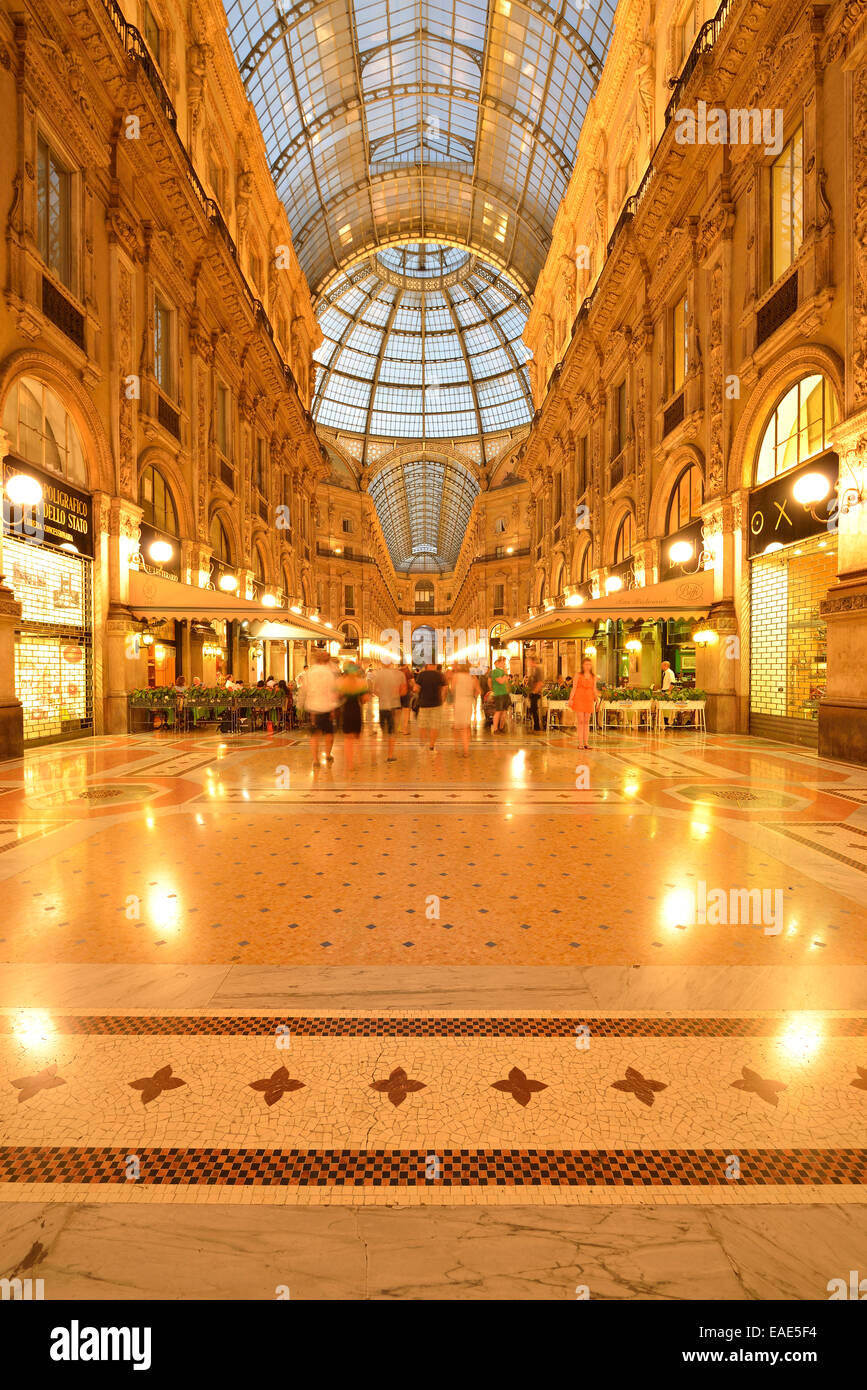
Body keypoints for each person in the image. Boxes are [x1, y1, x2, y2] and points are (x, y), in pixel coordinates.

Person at [305, 649, 338, 768]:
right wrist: (333, 709)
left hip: (313, 707)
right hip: (327, 706)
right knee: (329, 732)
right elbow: (333, 691)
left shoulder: (310, 672)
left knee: (315, 734)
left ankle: (315, 760)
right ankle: (328, 754)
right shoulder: (329, 673)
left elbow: (306, 689)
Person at [369, 660, 405, 761]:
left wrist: (383, 696)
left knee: (383, 730)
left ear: (382, 663)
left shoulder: (377, 674)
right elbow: (403, 691)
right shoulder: (399, 674)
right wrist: (395, 694)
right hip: (394, 706)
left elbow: (374, 690)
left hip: (383, 706)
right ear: (391, 663)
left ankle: (376, 754)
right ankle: (390, 755)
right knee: (392, 731)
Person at [337, 661, 368, 773]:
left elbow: (336, 696)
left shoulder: (340, 682)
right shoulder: (361, 682)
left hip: (345, 711)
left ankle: (350, 764)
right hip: (356, 710)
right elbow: (365, 699)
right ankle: (359, 758)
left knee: (348, 739)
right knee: (358, 736)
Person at [415, 660, 447, 751]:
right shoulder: (440, 675)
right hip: (436, 703)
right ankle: (431, 745)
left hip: (423, 703)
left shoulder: (421, 675)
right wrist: (442, 699)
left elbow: (416, 689)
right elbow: (444, 689)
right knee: (435, 725)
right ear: (435, 665)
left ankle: (423, 741)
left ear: (427, 665)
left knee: (422, 724)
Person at [450, 662, 480, 757]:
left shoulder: (456, 676)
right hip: (468, 703)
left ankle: (457, 747)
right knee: (466, 727)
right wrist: (472, 694)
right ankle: (465, 750)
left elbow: (452, 689)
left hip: (458, 703)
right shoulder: (473, 678)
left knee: (457, 726)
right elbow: (478, 691)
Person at [569, 656, 597, 750]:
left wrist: (597, 699)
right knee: (580, 721)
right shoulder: (578, 675)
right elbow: (574, 688)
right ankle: (580, 743)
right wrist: (570, 699)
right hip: (579, 698)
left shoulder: (593, 676)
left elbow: (594, 689)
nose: (588, 666)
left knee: (587, 721)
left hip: (589, 699)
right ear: (583, 665)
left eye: (589, 664)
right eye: (586, 664)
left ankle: (586, 743)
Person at [490, 653, 510, 734]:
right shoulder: (495, 671)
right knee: (498, 711)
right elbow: (501, 681)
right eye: (503, 662)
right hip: (498, 694)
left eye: (505, 662)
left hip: (505, 693)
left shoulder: (502, 671)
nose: (504, 664)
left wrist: (505, 674)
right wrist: (505, 674)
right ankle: (495, 729)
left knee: (504, 712)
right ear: (498, 662)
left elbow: (506, 681)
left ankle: (501, 728)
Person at [527, 655, 543, 733]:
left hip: (535, 693)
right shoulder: (533, 670)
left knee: (534, 709)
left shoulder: (538, 669)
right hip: (532, 692)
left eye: (529, 661)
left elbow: (540, 682)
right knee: (532, 709)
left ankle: (537, 727)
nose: (528, 663)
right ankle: (535, 726)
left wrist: (534, 691)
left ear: (532, 661)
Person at [399, 662, 413, 734]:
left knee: (399, 711)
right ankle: (404, 730)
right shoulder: (408, 672)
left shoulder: (397, 672)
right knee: (406, 711)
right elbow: (412, 682)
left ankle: (399, 728)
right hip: (406, 692)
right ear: (406, 664)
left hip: (398, 693)